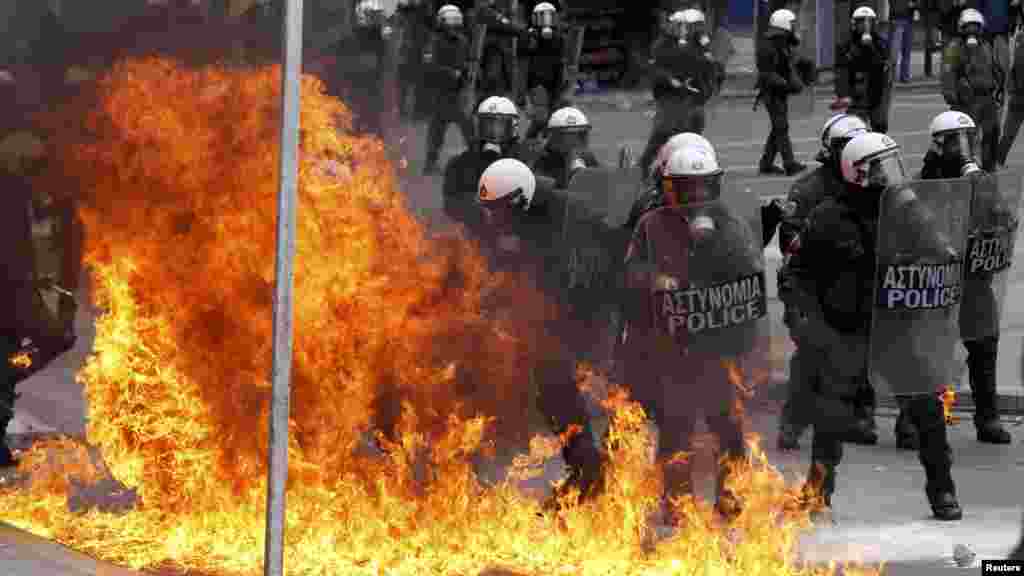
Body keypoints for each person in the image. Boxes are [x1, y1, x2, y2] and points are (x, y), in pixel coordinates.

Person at [781, 131, 962, 521]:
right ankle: (816, 493)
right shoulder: (828, 217)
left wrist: (939, 259)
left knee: (928, 409)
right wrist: (806, 320)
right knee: (830, 416)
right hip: (847, 328)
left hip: (895, 325)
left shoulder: (906, 209)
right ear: (858, 174)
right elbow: (795, 272)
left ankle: (943, 490)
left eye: (891, 165)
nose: (890, 175)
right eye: (881, 168)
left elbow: (941, 251)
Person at [621, 143, 764, 522]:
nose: (696, 196)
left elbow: (750, 272)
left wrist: (718, 242)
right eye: (687, 188)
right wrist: (655, 279)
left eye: (702, 187)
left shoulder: (730, 223)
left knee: (728, 426)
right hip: (674, 345)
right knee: (676, 425)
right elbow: (631, 270)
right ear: (671, 189)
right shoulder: (651, 225)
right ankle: (676, 500)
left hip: (720, 343)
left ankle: (730, 494)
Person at [474, 158, 606, 508]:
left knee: (560, 390)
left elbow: (566, 277)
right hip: (559, 314)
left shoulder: (563, 218)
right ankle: (585, 470)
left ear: (520, 200)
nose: (495, 220)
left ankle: (591, 474)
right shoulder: (528, 216)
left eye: (499, 211)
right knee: (550, 393)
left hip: (592, 309)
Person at [895, 110, 1012, 447]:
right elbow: (909, 224)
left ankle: (988, 417)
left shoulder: (979, 179)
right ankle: (911, 421)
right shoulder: (922, 182)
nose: (964, 148)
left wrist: (977, 181)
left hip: (973, 278)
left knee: (983, 345)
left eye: (968, 139)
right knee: (927, 352)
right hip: (937, 279)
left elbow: (1001, 216)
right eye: (955, 142)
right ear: (938, 145)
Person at [776, 113, 876, 451]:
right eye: (845, 145)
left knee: (863, 349)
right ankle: (793, 421)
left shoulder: (872, 184)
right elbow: (791, 245)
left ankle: (858, 414)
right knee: (810, 354)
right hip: (813, 287)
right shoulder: (809, 190)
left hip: (855, 286)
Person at [637, 9, 719, 174]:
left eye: (684, 26)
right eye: (679, 25)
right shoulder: (661, 45)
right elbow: (655, 70)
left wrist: (706, 64)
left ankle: (686, 165)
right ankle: (644, 165)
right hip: (668, 96)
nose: (682, 29)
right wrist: (670, 79)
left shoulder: (689, 45)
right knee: (663, 132)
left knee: (693, 130)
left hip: (690, 96)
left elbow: (699, 65)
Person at [443, 96, 525, 230]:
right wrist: (472, 205)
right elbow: (450, 205)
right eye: (488, 125)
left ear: (512, 127)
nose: (493, 132)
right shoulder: (461, 162)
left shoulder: (523, 159)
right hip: (476, 235)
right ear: (479, 126)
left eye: (500, 126)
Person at [942, 8, 1005, 171]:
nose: (972, 31)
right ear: (961, 27)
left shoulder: (986, 45)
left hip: (987, 98)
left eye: (976, 27)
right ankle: (966, 170)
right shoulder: (955, 47)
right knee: (967, 139)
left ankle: (989, 169)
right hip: (967, 99)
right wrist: (952, 97)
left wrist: (999, 88)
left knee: (991, 134)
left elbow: (994, 68)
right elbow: (948, 72)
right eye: (968, 27)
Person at [423, 5, 477, 176]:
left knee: (469, 128)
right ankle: (430, 163)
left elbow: (467, 61)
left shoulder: (463, 41)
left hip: (459, 92)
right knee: (437, 129)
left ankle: (478, 160)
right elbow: (429, 65)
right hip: (440, 92)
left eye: (456, 22)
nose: (453, 27)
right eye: (450, 22)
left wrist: (469, 71)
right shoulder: (434, 41)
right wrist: (449, 72)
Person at [334, 0, 399, 139]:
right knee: (357, 116)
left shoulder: (379, 38)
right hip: (358, 82)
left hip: (371, 83)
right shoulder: (349, 39)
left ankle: (370, 140)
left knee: (371, 116)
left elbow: (386, 62)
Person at [755, 9, 808, 176]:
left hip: (779, 91)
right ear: (784, 24)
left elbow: (792, 55)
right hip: (771, 92)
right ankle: (789, 163)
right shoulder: (768, 46)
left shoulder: (782, 41)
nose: (794, 27)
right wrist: (786, 84)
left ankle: (766, 164)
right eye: (792, 24)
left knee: (778, 128)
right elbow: (766, 73)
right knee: (781, 127)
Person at [627, 132, 715, 230]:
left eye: (702, 184)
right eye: (686, 185)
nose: (696, 193)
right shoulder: (647, 209)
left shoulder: (720, 218)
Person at [520, 2, 576, 141]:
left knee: (554, 117)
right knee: (541, 118)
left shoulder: (560, 36)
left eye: (549, 16)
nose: (546, 20)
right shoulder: (528, 35)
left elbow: (565, 59)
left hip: (556, 80)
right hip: (537, 81)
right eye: (542, 16)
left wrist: (567, 82)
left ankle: (547, 146)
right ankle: (526, 142)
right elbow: (523, 57)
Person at [833, 6, 892, 133]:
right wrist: (843, 95)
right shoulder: (846, 45)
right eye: (861, 22)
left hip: (877, 91)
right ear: (854, 24)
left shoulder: (881, 43)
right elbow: (841, 71)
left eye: (869, 22)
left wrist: (870, 46)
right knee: (855, 128)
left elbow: (882, 65)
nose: (866, 26)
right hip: (856, 93)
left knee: (880, 125)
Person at [472, 0, 527, 104]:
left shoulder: (502, 12)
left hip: (501, 55)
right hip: (489, 53)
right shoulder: (485, 11)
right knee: (492, 80)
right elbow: (501, 23)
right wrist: (520, 31)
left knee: (501, 84)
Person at [531, 106, 600, 189]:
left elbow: (601, 182)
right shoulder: (543, 160)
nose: (575, 143)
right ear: (555, 139)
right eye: (568, 137)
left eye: (580, 136)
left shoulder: (587, 157)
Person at [394, 0, 435, 122]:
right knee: (405, 83)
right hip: (409, 49)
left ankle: (417, 111)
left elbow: (430, 23)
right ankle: (404, 110)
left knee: (418, 82)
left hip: (418, 48)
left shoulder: (423, 13)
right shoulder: (406, 12)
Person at [997, 23, 1024, 167]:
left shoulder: (1017, 47)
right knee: (1009, 133)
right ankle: (999, 159)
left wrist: (1011, 89)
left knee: (1008, 133)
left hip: (1017, 96)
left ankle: (999, 160)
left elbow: (1012, 71)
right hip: (1019, 96)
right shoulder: (1019, 48)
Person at [891, 0, 920, 83]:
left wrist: (914, 5)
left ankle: (904, 76)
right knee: (895, 51)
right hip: (898, 19)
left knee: (906, 50)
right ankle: (892, 77)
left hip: (908, 20)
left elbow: (916, 4)